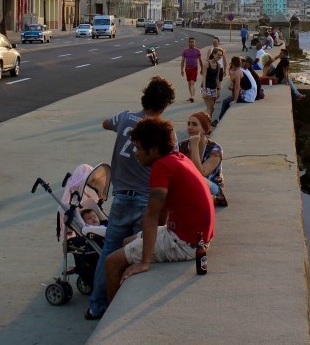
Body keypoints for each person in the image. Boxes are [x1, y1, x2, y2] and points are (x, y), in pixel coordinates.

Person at [86, 77, 176, 321]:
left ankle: (96, 305)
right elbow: (173, 161)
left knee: (109, 250)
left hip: (121, 197)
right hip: (148, 200)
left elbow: (106, 123)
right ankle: (127, 304)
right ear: (164, 105)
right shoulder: (161, 132)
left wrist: (119, 124)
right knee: (136, 252)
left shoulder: (125, 118)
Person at [104, 117, 215, 303]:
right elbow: (162, 210)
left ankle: (109, 315)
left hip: (186, 243)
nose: (136, 154)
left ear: (154, 150)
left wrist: (145, 262)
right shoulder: (178, 158)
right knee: (127, 240)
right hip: (197, 237)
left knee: (112, 262)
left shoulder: (161, 167)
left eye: (139, 148)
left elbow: (151, 215)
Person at [179, 111, 227, 206]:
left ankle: (209, 199)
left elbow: (201, 172)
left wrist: (195, 146)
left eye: (194, 124)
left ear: (205, 129)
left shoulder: (215, 149)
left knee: (197, 178)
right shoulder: (182, 145)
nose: (190, 127)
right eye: (188, 124)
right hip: (189, 183)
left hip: (210, 185)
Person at [214, 56, 257, 126]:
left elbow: (237, 87)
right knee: (228, 99)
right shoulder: (243, 70)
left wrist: (235, 100)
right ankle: (220, 119)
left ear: (232, 64)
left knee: (226, 101)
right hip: (251, 94)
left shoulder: (238, 72)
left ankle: (219, 120)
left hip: (248, 97)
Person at [180, 37, 204, 103]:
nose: (192, 43)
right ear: (188, 42)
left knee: (192, 82)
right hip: (187, 69)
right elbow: (182, 61)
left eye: (193, 42)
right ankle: (191, 96)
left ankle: (193, 96)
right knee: (189, 83)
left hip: (194, 68)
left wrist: (202, 69)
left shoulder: (197, 51)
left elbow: (200, 60)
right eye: (191, 42)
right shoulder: (185, 51)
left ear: (195, 43)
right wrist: (181, 70)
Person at [200, 50, 222, 118]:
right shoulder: (207, 63)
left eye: (221, 55)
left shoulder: (218, 65)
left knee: (211, 109)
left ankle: (208, 122)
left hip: (214, 88)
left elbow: (217, 78)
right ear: (213, 54)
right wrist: (204, 90)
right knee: (210, 108)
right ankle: (202, 120)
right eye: (218, 54)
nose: (219, 56)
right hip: (206, 87)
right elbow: (203, 77)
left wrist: (218, 90)